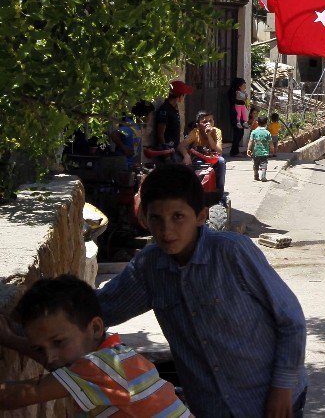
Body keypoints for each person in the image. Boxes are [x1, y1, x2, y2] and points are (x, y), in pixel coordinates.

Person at [97, 164, 308, 417]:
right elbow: (98, 312)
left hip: (272, 402)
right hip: (211, 408)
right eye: (156, 218)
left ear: (201, 216)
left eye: (178, 217)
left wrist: (282, 387)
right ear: (144, 218)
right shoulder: (149, 269)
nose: (166, 231)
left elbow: (291, 320)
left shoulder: (233, 253)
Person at [0, 275, 190, 415]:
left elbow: (16, 395)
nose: (49, 356)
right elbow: (56, 365)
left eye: (58, 342)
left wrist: (10, 340)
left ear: (96, 328)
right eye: (40, 349)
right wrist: (10, 339)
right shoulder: (117, 356)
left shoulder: (100, 366)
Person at [186, 110, 227, 194]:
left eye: (210, 121)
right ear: (198, 125)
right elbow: (181, 146)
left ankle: (220, 192)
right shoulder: (195, 132)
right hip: (200, 158)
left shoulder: (217, 131)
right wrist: (185, 155)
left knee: (222, 161)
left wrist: (209, 135)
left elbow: (219, 151)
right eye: (205, 122)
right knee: (196, 164)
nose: (208, 124)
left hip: (213, 158)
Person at [155, 80, 192, 164]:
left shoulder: (174, 108)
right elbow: (160, 135)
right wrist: (166, 156)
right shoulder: (165, 110)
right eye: (184, 95)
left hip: (174, 149)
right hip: (168, 152)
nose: (184, 97)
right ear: (179, 96)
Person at [109, 101, 154, 170]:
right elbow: (114, 134)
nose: (151, 117)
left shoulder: (136, 127)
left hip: (129, 165)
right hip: (122, 165)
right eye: (150, 114)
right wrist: (124, 148)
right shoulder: (131, 126)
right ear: (144, 115)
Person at [248, 115, 276, 181]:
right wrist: (272, 149)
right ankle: (263, 176)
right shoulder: (267, 132)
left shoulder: (254, 132)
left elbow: (250, 141)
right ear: (266, 123)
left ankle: (256, 175)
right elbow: (270, 143)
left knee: (255, 164)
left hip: (256, 152)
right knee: (264, 164)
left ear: (257, 122)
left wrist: (248, 149)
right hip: (264, 153)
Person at [228, 77, 248, 157]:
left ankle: (234, 150)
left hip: (240, 115)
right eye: (243, 85)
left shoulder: (241, 92)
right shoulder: (234, 93)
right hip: (235, 114)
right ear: (239, 86)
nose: (245, 86)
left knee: (240, 132)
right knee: (238, 132)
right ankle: (234, 151)